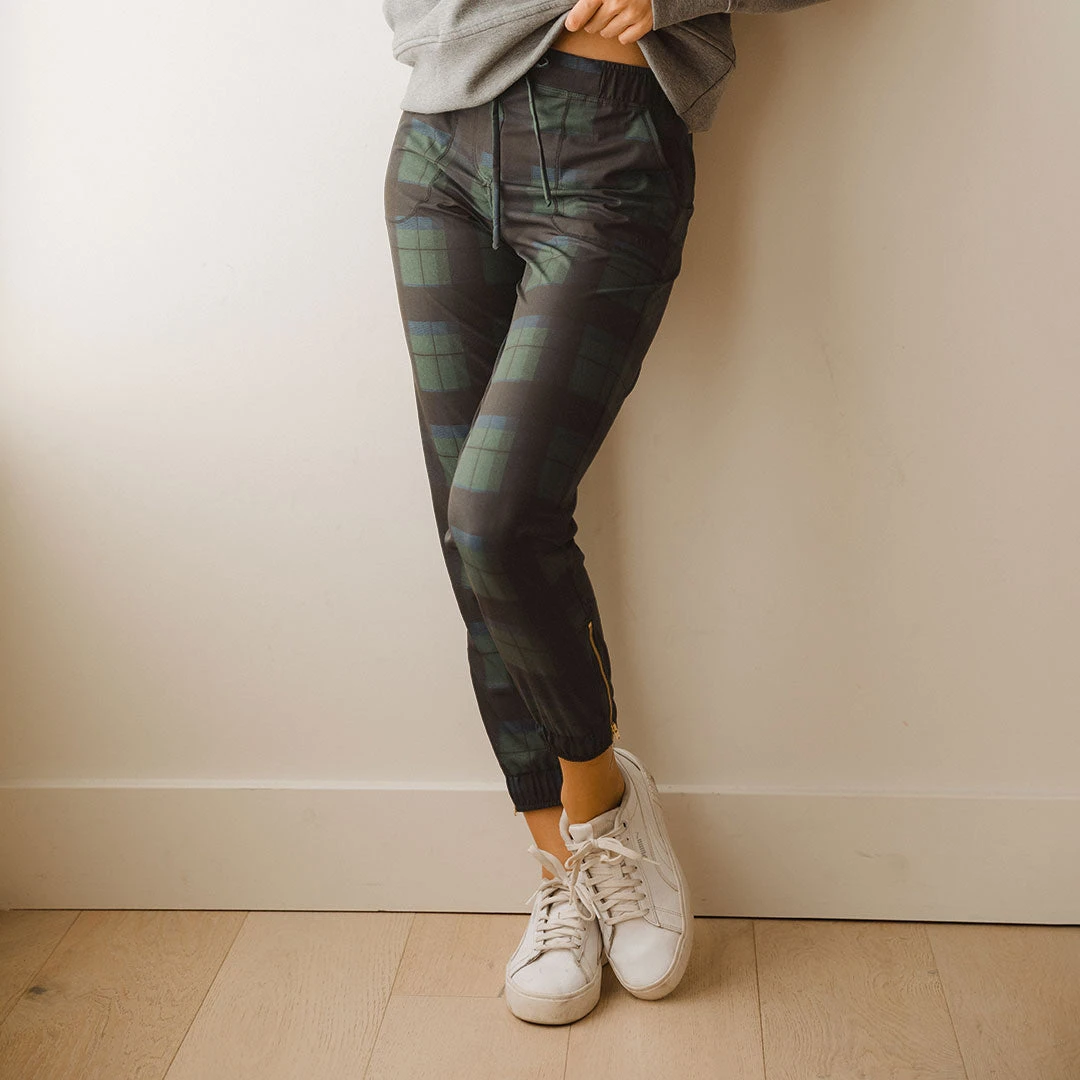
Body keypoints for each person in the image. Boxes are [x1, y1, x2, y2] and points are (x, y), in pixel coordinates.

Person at [382, 0, 830, 1026]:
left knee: (498, 519)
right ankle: (563, 870)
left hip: (610, 143)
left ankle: (603, 806)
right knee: (468, 537)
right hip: (438, 146)